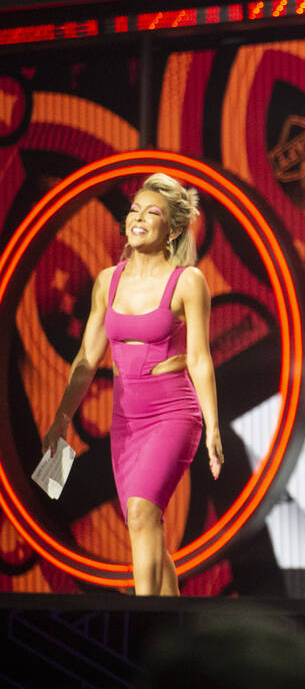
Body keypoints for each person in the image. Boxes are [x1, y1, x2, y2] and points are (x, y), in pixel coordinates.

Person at [42, 172, 224, 596]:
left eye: (153, 212)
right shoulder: (108, 281)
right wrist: (61, 420)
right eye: (134, 210)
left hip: (172, 413)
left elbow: (198, 358)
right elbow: (87, 359)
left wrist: (213, 426)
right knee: (145, 529)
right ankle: (175, 637)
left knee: (142, 514)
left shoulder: (188, 281)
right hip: (126, 418)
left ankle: (138, 628)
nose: (139, 218)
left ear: (174, 229)